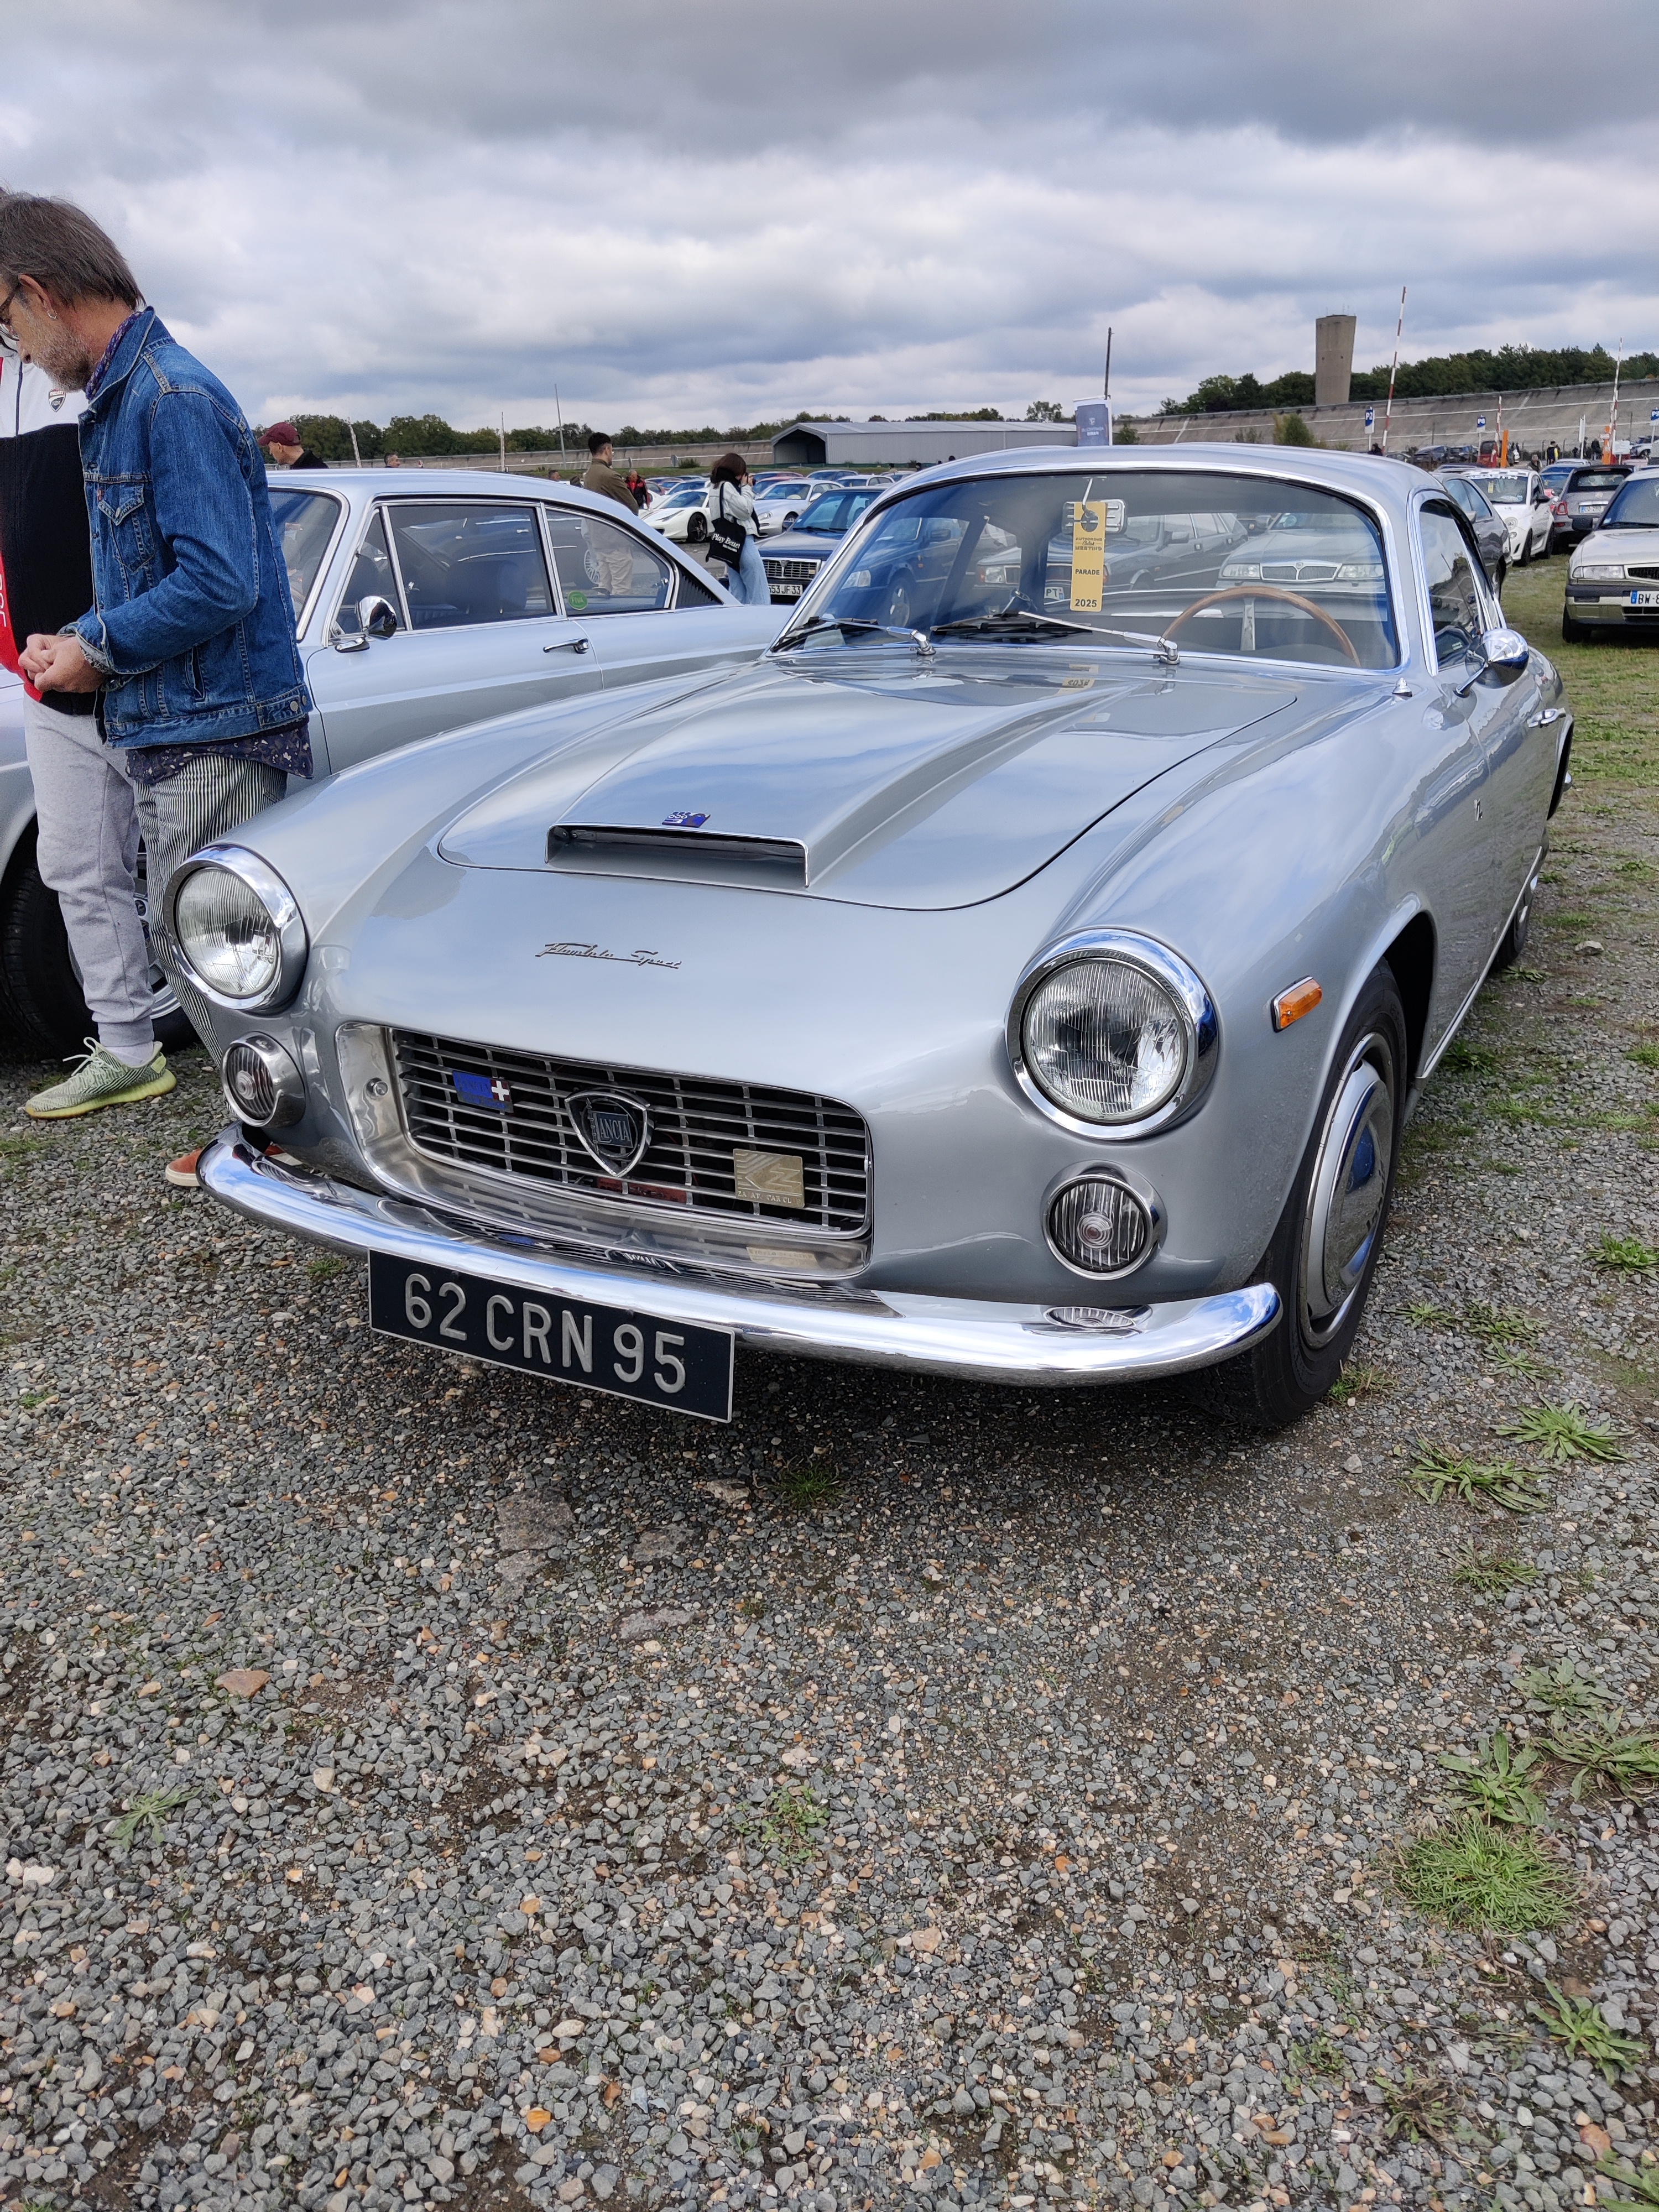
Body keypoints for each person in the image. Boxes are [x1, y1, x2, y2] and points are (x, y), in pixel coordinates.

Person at [1, 190, 314, 1186]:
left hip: (212, 718)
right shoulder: (128, 397)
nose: (16, 346)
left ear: (39, 291)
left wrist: (93, 646)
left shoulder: (168, 399)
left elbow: (220, 581)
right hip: (177, 711)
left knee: (229, 942)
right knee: (210, 936)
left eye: (7, 319)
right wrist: (82, 643)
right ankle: (270, 1133)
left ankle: (282, 1143)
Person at [0, 335, 174, 1118]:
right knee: (77, 865)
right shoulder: (11, 380)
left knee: (197, 872)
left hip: (145, 673)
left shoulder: (106, 367)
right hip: (44, 677)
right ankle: (129, 1048)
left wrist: (102, 645)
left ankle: (261, 1072)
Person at [707, 451, 769, 606]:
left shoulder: (715, 486)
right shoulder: (728, 486)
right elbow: (745, 510)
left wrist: (741, 487)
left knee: (737, 596)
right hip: (743, 542)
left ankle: (738, 620)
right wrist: (747, 488)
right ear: (736, 471)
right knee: (760, 593)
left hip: (729, 545)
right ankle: (764, 620)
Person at [581, 431, 640, 513]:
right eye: (612, 451)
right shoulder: (610, 476)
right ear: (607, 450)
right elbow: (633, 508)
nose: (612, 455)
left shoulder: (588, 474)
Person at [258, 419, 326, 469]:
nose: (270, 452)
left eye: (270, 447)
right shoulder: (317, 468)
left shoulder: (304, 475)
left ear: (280, 448)